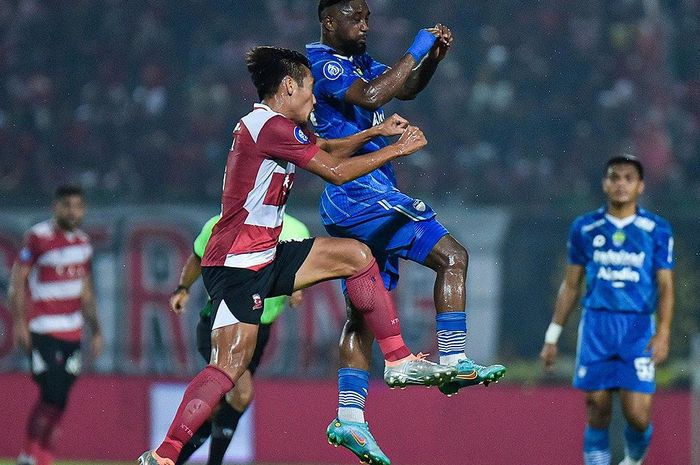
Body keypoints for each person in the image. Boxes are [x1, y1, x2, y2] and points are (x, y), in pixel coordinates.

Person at [139, 46, 457, 465]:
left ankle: (397, 359)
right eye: (310, 89)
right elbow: (335, 171)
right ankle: (166, 454)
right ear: (288, 86)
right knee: (229, 366)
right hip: (238, 263)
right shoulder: (267, 126)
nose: (315, 98)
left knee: (357, 256)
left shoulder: (275, 127)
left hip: (264, 252)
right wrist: (396, 151)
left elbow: (324, 148)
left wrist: (371, 135)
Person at [306, 1, 506, 460]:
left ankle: (350, 417)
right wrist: (417, 44)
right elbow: (375, 95)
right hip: (359, 192)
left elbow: (404, 89)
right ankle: (454, 360)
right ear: (329, 20)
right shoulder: (321, 63)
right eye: (355, 17)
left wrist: (431, 60)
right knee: (452, 256)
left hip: (362, 194)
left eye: (368, 18)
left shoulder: (356, 62)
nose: (364, 25)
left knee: (366, 309)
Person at [540, 155, 675, 465]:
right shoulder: (585, 227)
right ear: (605, 184)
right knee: (597, 407)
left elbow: (666, 285)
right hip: (597, 325)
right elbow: (571, 284)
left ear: (640, 186)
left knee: (637, 416)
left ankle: (633, 459)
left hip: (638, 327)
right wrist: (552, 336)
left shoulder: (656, 229)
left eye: (629, 178)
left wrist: (664, 332)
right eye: (614, 177)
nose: (621, 183)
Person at [170, 213, 309, 465]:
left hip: (258, 332)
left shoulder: (296, 229)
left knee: (217, 410)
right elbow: (198, 257)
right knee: (242, 395)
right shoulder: (220, 222)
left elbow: (300, 270)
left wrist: (297, 289)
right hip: (222, 323)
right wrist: (183, 288)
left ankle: (169, 460)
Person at [9, 185, 103, 465]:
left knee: (60, 397)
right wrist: (20, 324)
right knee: (50, 390)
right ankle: (30, 454)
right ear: (56, 207)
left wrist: (96, 330)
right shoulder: (38, 237)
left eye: (77, 206)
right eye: (66, 205)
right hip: (42, 328)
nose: (72, 211)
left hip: (72, 332)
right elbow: (18, 280)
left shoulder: (83, 244)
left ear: (83, 209)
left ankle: (43, 455)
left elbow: (85, 291)